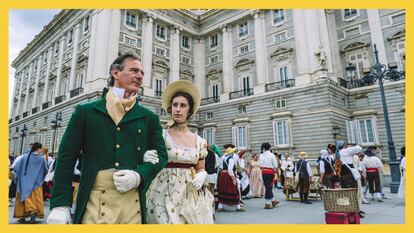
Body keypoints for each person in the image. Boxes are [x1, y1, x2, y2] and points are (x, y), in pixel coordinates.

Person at [47, 54, 168, 224]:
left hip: (132, 204)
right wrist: (60, 204)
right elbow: (67, 157)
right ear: (115, 73)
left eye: (142, 73)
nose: (140, 76)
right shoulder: (85, 112)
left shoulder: (149, 118)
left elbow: (162, 155)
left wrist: (139, 176)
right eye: (134, 70)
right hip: (94, 202)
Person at [146, 80, 213, 224]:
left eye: (182, 105)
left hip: (189, 194)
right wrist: (145, 157)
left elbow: (200, 167)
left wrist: (202, 174)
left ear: (189, 110)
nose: (177, 109)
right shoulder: (160, 135)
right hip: (162, 193)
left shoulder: (199, 140)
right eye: (175, 105)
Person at [12, 142, 49, 223]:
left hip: (23, 182)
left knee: (22, 197)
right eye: (41, 149)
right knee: (35, 199)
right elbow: (46, 170)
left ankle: (22, 216)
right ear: (38, 148)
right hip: (36, 183)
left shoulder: (24, 157)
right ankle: (33, 213)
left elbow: (16, 168)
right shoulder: (42, 158)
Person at [217, 144, 245, 212]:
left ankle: (220, 206)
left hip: (223, 174)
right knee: (234, 190)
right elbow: (230, 170)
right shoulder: (231, 159)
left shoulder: (224, 158)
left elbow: (220, 167)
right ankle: (238, 207)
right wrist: (233, 178)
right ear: (232, 152)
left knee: (223, 190)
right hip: (228, 175)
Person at [259, 143, 279, 209]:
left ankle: (273, 201)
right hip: (270, 172)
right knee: (269, 187)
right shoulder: (271, 155)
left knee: (267, 187)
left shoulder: (261, 155)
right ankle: (268, 203)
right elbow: (275, 165)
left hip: (263, 172)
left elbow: (260, 165)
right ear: (269, 148)